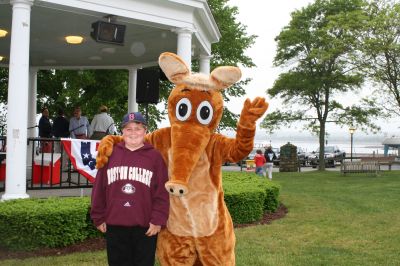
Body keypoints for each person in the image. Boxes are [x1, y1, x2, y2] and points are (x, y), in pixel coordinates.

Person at [91, 111, 169, 266]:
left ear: (145, 131)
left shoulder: (154, 157)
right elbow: (99, 188)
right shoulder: (110, 153)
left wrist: (157, 220)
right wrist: (98, 217)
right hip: (115, 225)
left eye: (138, 128)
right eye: (128, 129)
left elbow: (161, 192)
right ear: (122, 131)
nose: (133, 133)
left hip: (145, 227)